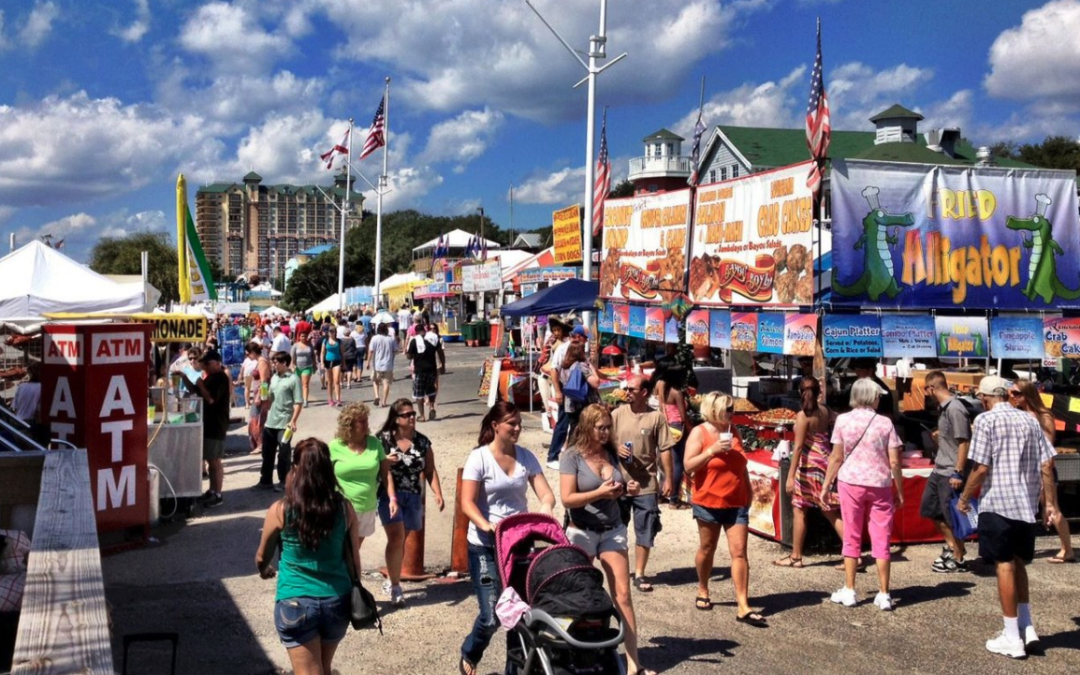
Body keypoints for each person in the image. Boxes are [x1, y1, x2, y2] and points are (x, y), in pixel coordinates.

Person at [958, 376, 1059, 658]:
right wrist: (1049, 504)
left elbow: (980, 468)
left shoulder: (986, 421)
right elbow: (1047, 465)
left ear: (984, 397)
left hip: (999, 502)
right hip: (1025, 505)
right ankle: (1027, 627)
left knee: (1003, 565)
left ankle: (1012, 635)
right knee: (1017, 563)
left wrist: (965, 498)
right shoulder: (1029, 420)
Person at [459, 401, 555, 675]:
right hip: (485, 545)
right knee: (491, 617)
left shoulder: (525, 457)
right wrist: (486, 525)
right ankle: (470, 651)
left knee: (519, 615)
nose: (517, 429)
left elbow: (546, 494)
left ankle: (515, 670)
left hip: (519, 545)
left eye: (519, 424)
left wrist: (546, 508)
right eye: (511, 424)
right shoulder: (478, 458)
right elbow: (467, 503)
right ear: (495, 426)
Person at [560, 404, 655, 675]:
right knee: (577, 596)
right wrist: (599, 494)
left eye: (607, 427)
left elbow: (619, 486)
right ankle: (574, 655)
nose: (604, 432)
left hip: (612, 529)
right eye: (599, 427)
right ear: (587, 428)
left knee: (623, 595)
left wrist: (627, 489)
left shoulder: (612, 453)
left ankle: (634, 663)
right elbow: (567, 499)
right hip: (581, 530)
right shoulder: (572, 457)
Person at [255, 438, 360, 675]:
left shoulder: (281, 510)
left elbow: (262, 556)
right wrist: (356, 589)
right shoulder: (344, 508)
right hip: (336, 598)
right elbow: (354, 559)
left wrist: (265, 570)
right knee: (323, 668)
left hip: (295, 600)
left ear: (295, 469)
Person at [683, 392, 767, 627]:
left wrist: (749, 490)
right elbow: (688, 465)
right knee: (707, 548)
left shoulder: (734, 431)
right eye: (728, 408)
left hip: (736, 501)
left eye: (732, 408)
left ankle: (743, 605)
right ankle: (703, 588)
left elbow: (741, 465)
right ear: (713, 410)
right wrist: (711, 452)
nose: (732, 412)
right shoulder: (699, 433)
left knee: (739, 552)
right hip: (708, 501)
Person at [822, 379, 903, 611]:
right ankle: (884, 593)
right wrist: (898, 488)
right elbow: (895, 460)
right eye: (878, 395)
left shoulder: (843, 421)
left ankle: (849, 589)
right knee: (881, 538)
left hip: (850, 481)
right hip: (879, 483)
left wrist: (827, 485)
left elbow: (836, 457)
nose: (880, 398)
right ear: (872, 396)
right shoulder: (885, 423)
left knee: (852, 535)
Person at [376, 398, 445, 606]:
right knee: (396, 538)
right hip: (388, 496)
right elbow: (376, 466)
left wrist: (437, 493)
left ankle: (392, 577)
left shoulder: (423, 442)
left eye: (413, 413)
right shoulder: (383, 439)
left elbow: (430, 470)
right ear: (396, 419)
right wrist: (385, 461)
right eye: (406, 415)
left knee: (401, 540)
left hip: (413, 496)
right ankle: (396, 587)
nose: (412, 417)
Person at [611, 374, 674, 592]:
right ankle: (618, 570)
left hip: (646, 483)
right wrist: (616, 447)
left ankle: (639, 573)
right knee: (616, 530)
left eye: (631, 389)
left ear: (644, 393)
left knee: (646, 529)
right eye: (626, 389)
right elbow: (602, 440)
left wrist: (668, 478)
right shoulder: (617, 414)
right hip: (618, 482)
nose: (626, 392)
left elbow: (665, 448)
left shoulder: (656, 418)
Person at [774, 376, 844, 569]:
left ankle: (796, 556)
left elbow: (797, 448)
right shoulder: (825, 411)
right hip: (825, 462)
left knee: (800, 509)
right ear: (819, 392)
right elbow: (839, 420)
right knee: (829, 509)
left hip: (808, 465)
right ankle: (852, 553)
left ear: (799, 392)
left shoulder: (803, 415)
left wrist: (789, 477)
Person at [1009, 379, 1074, 564]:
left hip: (1043, 469)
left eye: (1017, 393)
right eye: (1011, 393)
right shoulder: (1018, 414)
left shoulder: (1043, 415)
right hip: (1026, 470)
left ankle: (1067, 549)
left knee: (1052, 508)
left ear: (1028, 394)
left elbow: (1047, 448)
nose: (1012, 397)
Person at [919, 371, 972, 573]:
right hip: (939, 468)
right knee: (930, 509)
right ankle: (953, 547)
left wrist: (958, 472)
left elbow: (964, 442)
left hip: (951, 469)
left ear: (931, 388)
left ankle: (958, 558)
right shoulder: (944, 409)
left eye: (926, 389)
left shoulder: (955, 409)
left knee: (952, 516)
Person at [330, 403, 393, 562]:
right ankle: (344, 582)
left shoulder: (374, 443)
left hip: (367, 506)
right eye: (362, 421)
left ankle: (348, 580)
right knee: (341, 550)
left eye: (366, 420)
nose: (367, 425)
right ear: (349, 425)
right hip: (342, 508)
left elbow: (386, 474)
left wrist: (393, 498)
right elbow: (323, 477)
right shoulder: (334, 447)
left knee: (353, 550)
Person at [180, 350, 231, 508]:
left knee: (214, 461)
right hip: (208, 423)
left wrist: (200, 383)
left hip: (216, 424)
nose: (204, 367)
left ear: (216, 363)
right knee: (210, 459)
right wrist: (185, 378)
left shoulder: (220, 377)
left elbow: (210, 399)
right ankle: (212, 491)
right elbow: (197, 392)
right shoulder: (210, 377)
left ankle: (217, 494)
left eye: (207, 364)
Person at [547, 332, 599, 469]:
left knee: (572, 429)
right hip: (580, 401)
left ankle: (566, 457)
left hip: (570, 399)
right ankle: (565, 458)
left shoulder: (566, 365)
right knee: (576, 429)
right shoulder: (581, 366)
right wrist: (591, 366)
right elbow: (596, 382)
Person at [253, 352, 303, 491]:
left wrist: (293, 421)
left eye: (276, 362)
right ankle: (265, 480)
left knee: (284, 453)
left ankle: (284, 481)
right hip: (271, 421)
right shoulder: (274, 377)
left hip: (285, 422)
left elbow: (298, 402)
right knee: (267, 453)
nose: (274, 364)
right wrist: (262, 396)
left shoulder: (293, 379)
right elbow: (269, 397)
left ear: (285, 363)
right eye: (273, 362)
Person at [654, 366, 691, 509]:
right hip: (676, 427)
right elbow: (683, 415)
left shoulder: (661, 387)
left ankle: (661, 495)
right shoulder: (677, 393)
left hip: (664, 425)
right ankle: (674, 499)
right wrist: (690, 428)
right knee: (677, 463)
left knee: (664, 462)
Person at [406, 322, 440, 421]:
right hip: (431, 369)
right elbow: (440, 352)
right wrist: (442, 364)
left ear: (416, 332)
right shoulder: (433, 338)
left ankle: (422, 416)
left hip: (420, 370)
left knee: (419, 394)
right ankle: (432, 407)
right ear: (424, 330)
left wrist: (412, 355)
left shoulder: (414, 341)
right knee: (431, 389)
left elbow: (409, 355)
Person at [11, 362, 47, 447]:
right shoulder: (42, 387)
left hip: (18, 421)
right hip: (32, 423)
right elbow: (39, 410)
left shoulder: (22, 386)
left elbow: (15, 407)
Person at [367, 323, 397, 407]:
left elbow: (371, 351)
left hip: (377, 364)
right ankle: (384, 401)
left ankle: (376, 396)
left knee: (375, 380)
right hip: (388, 364)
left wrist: (368, 362)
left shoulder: (374, 338)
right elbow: (395, 350)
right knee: (386, 383)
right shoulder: (390, 339)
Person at [290, 331, 316, 408]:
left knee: (305, 384)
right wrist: (292, 365)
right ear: (299, 337)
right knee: (297, 384)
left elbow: (313, 356)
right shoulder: (295, 345)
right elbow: (292, 356)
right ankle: (298, 398)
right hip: (297, 367)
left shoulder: (309, 345)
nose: (303, 338)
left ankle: (305, 401)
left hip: (307, 366)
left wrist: (314, 365)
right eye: (302, 336)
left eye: (304, 336)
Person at [320, 329, 343, 408]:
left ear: (335, 332)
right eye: (330, 331)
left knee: (336, 380)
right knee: (329, 381)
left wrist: (344, 363)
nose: (331, 333)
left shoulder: (339, 341)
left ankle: (338, 399)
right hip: (328, 361)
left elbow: (342, 353)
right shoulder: (325, 341)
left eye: (333, 331)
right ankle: (330, 399)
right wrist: (322, 363)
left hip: (337, 361)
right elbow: (322, 352)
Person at [351, 322, 367, 389]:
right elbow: (366, 340)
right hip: (362, 347)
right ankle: (359, 377)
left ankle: (354, 376)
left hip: (355, 347)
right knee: (360, 362)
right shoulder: (364, 332)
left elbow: (350, 339)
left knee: (354, 362)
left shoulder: (353, 333)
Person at [339, 326, 357, 390]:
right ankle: (348, 384)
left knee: (342, 371)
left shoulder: (341, 340)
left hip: (343, 356)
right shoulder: (352, 339)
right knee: (349, 370)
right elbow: (355, 347)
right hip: (351, 355)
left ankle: (341, 383)